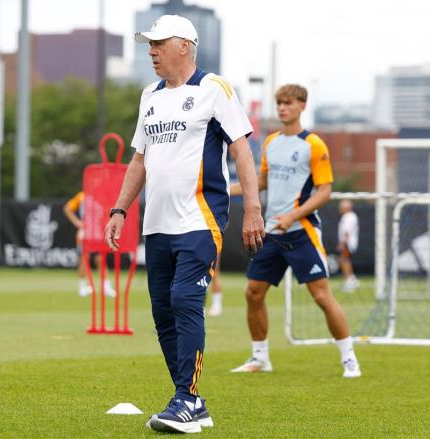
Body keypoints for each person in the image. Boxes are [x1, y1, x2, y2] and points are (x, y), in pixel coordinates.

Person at [104, 14, 264, 434]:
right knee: (162, 311)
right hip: (155, 225)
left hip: (200, 219)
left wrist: (252, 209)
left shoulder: (215, 88)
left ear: (185, 46)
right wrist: (119, 210)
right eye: (149, 44)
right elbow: (139, 159)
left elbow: (242, 151)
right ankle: (189, 400)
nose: (152, 51)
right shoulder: (149, 95)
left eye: (158, 43)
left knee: (184, 300)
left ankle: (187, 400)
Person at [228, 84, 361, 378]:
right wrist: (223, 190)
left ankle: (349, 358)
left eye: (288, 103)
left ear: (302, 105)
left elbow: (325, 191)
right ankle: (260, 357)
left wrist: (293, 215)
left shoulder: (314, 145)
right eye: (279, 103)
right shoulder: (271, 142)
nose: (282, 108)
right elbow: (260, 182)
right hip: (272, 233)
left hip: (302, 232)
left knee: (321, 297)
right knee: (253, 292)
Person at [62, 191, 116, 298]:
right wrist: (77, 222)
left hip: (97, 232)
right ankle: (82, 287)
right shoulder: (82, 196)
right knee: (84, 259)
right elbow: (67, 209)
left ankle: (106, 287)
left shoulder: (102, 195)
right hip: (85, 233)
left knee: (100, 259)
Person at [337, 199, 360, 292]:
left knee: (344, 260)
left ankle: (349, 281)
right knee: (345, 260)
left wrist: (343, 243)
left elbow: (347, 231)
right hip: (348, 243)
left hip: (347, 243)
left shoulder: (349, 217)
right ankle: (351, 278)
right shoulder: (349, 216)